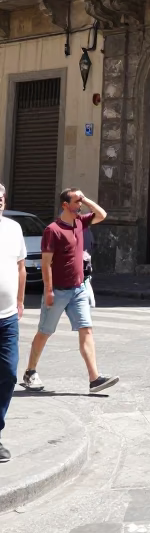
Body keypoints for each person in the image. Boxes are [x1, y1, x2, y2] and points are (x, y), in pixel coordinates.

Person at [21, 189, 118, 394]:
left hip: (78, 289)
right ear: (65, 205)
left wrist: (86, 198)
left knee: (86, 329)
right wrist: (48, 290)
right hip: (58, 290)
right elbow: (45, 264)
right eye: (76, 201)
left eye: (81, 201)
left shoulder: (80, 222)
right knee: (45, 332)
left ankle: (94, 379)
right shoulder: (53, 230)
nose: (80, 205)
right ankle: (30, 371)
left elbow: (102, 215)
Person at [0, 182, 26, 463]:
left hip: (7, 317)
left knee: (8, 374)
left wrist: (20, 300)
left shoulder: (14, 229)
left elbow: (20, 267)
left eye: (1, 198)